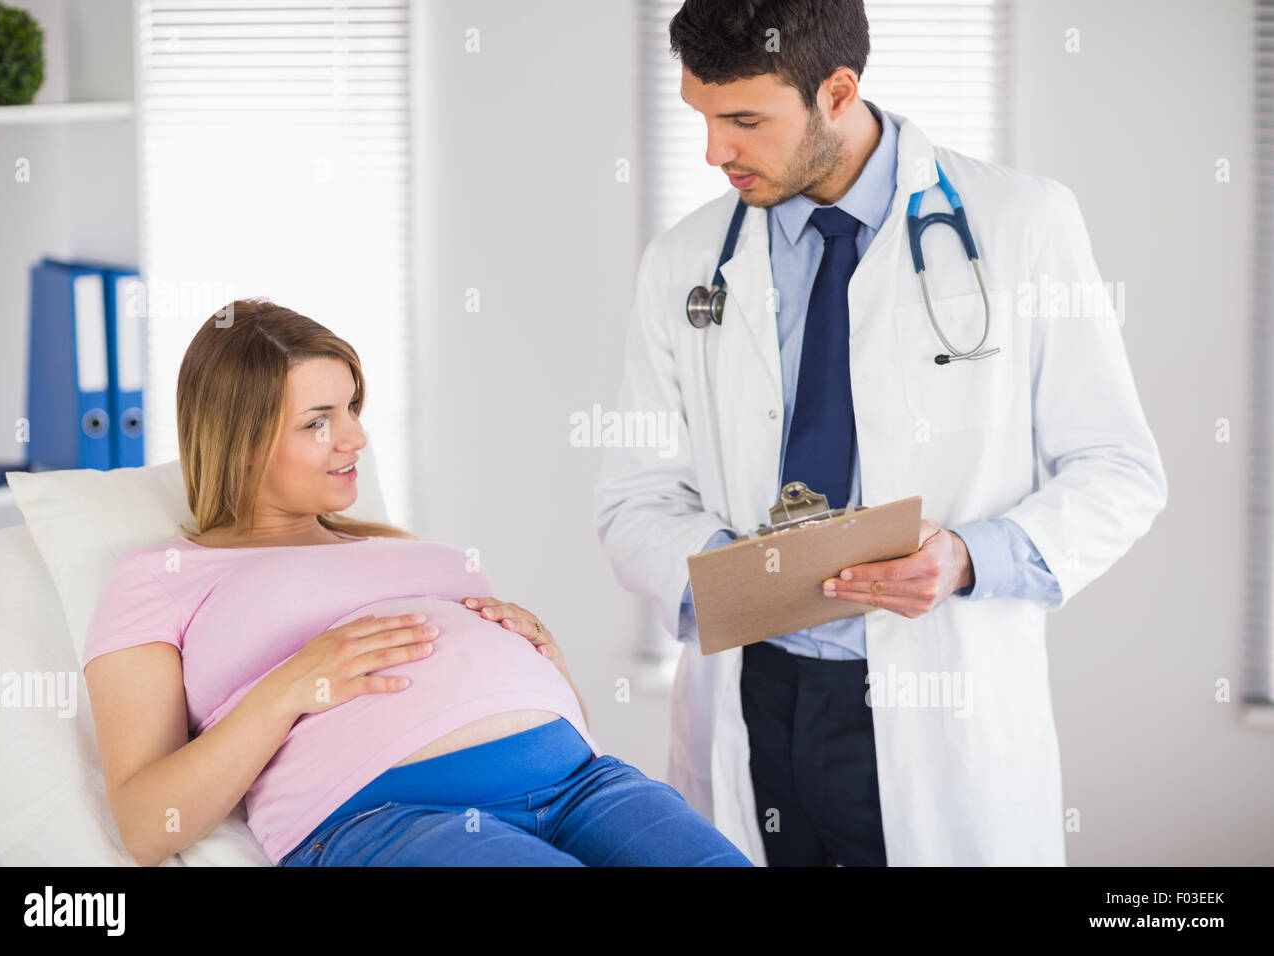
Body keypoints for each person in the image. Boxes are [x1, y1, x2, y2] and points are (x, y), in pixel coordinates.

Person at [593, 0, 1167, 866]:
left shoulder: (1022, 223)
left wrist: (971, 555)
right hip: (756, 696)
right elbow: (635, 495)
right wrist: (751, 578)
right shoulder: (684, 262)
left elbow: (1120, 468)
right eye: (702, 118)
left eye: (745, 120)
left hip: (937, 692)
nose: (715, 152)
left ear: (837, 89)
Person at [81, 298, 752, 867]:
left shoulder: (400, 546)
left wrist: (547, 661)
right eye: (319, 421)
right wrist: (295, 682)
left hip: (584, 781)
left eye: (351, 407)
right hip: (391, 814)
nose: (355, 438)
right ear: (242, 439)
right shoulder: (160, 577)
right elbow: (149, 825)